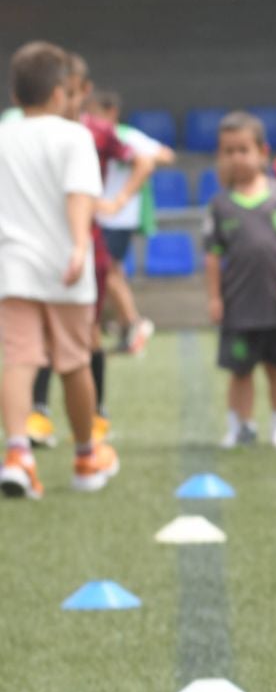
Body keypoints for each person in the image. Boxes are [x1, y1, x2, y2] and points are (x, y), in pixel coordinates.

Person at [0, 41, 120, 499]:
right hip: (63, 266)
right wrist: (76, 246)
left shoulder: (4, 135)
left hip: (13, 266)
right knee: (74, 362)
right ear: (59, 92)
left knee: (19, 358)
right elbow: (79, 195)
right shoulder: (75, 135)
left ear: (16, 95)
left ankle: (18, 456)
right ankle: (87, 458)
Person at [26, 54, 137, 450]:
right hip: (37, 249)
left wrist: (116, 200)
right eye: (62, 92)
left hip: (84, 249)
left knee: (84, 337)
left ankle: (94, 418)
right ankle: (37, 415)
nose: (66, 100)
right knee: (34, 338)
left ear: (82, 92)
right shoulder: (28, 133)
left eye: (74, 93)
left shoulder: (94, 133)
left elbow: (141, 160)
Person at [202, 113, 276, 450]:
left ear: (263, 152)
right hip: (240, 304)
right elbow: (213, 257)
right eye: (228, 151)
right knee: (240, 370)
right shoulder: (219, 205)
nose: (236, 158)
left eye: (243, 149)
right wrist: (215, 298)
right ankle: (239, 426)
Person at [87, 89, 168, 356]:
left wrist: (121, 198)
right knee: (111, 273)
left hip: (117, 217)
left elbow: (164, 155)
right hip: (98, 215)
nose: (89, 117)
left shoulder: (124, 136)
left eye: (94, 112)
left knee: (109, 272)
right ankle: (124, 327)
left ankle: (134, 323)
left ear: (110, 112)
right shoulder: (88, 134)